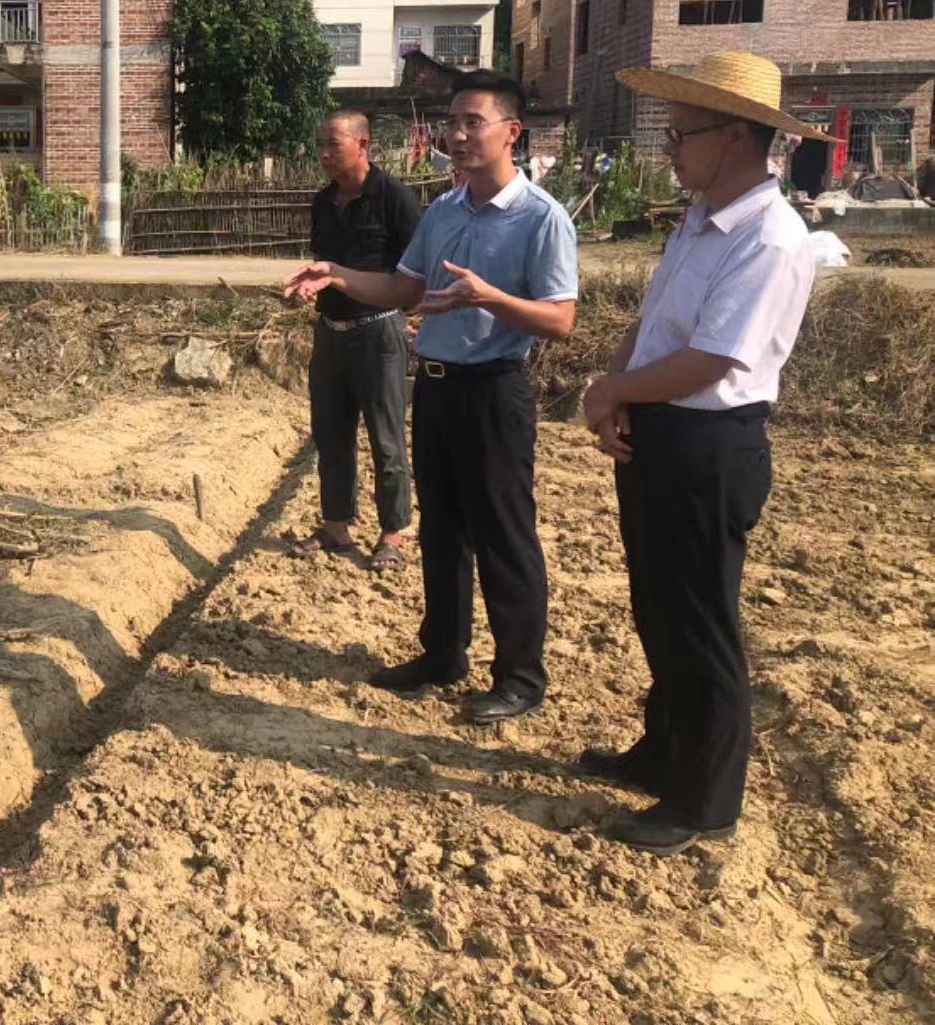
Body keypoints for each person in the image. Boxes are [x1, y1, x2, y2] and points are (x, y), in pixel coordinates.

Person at [579, 51, 828, 855]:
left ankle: (705, 799)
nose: (670, 147)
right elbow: (655, 326)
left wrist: (614, 391)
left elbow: (713, 360)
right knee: (658, 607)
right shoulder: (697, 222)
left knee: (700, 622)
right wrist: (618, 390)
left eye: (681, 132)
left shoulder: (771, 239)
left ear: (735, 138)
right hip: (659, 432)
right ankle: (664, 751)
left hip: (708, 446)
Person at [284, 72, 578, 724]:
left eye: (473, 122)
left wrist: (489, 297)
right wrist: (335, 274)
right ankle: (443, 653)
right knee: (441, 531)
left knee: (503, 535)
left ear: (511, 132)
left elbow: (560, 319)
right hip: (437, 387)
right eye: (452, 122)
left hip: (494, 390)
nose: (458, 135)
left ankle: (520, 677)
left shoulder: (541, 218)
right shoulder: (444, 210)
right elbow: (403, 290)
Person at [292, 111, 422, 572]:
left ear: (363, 145)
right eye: (320, 145)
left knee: (386, 438)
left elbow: (415, 271)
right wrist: (312, 284)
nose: (325, 154)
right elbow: (327, 264)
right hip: (330, 331)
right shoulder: (322, 202)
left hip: (379, 331)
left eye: (334, 144)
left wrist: (409, 312)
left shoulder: (395, 199)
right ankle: (336, 527)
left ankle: (392, 534)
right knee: (331, 434)